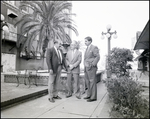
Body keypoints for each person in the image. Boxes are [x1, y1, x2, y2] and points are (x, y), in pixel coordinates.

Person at [83, 36, 100, 102]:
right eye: (85, 41)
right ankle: (89, 95)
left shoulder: (94, 47)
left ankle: (93, 97)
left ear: (90, 41)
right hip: (86, 68)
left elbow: (98, 57)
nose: (85, 42)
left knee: (92, 81)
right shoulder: (87, 48)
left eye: (86, 41)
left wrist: (93, 64)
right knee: (87, 82)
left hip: (92, 68)